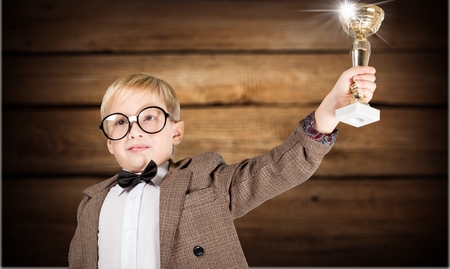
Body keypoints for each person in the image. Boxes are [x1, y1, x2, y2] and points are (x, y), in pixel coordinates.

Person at [68, 66, 377, 269]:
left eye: (149, 117)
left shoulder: (206, 182)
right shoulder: (91, 204)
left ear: (176, 131)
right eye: (120, 121)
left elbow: (276, 169)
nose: (134, 131)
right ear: (109, 141)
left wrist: (328, 112)